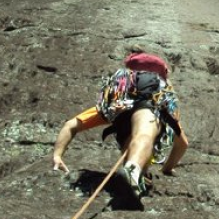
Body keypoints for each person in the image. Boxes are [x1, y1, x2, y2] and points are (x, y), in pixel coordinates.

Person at [52, 50, 189, 197]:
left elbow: (71, 125)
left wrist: (57, 156)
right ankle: (134, 170)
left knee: (132, 138)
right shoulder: (159, 103)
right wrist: (166, 169)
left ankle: (132, 170)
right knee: (144, 133)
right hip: (148, 111)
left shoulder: (115, 102)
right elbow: (182, 144)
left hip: (121, 112)